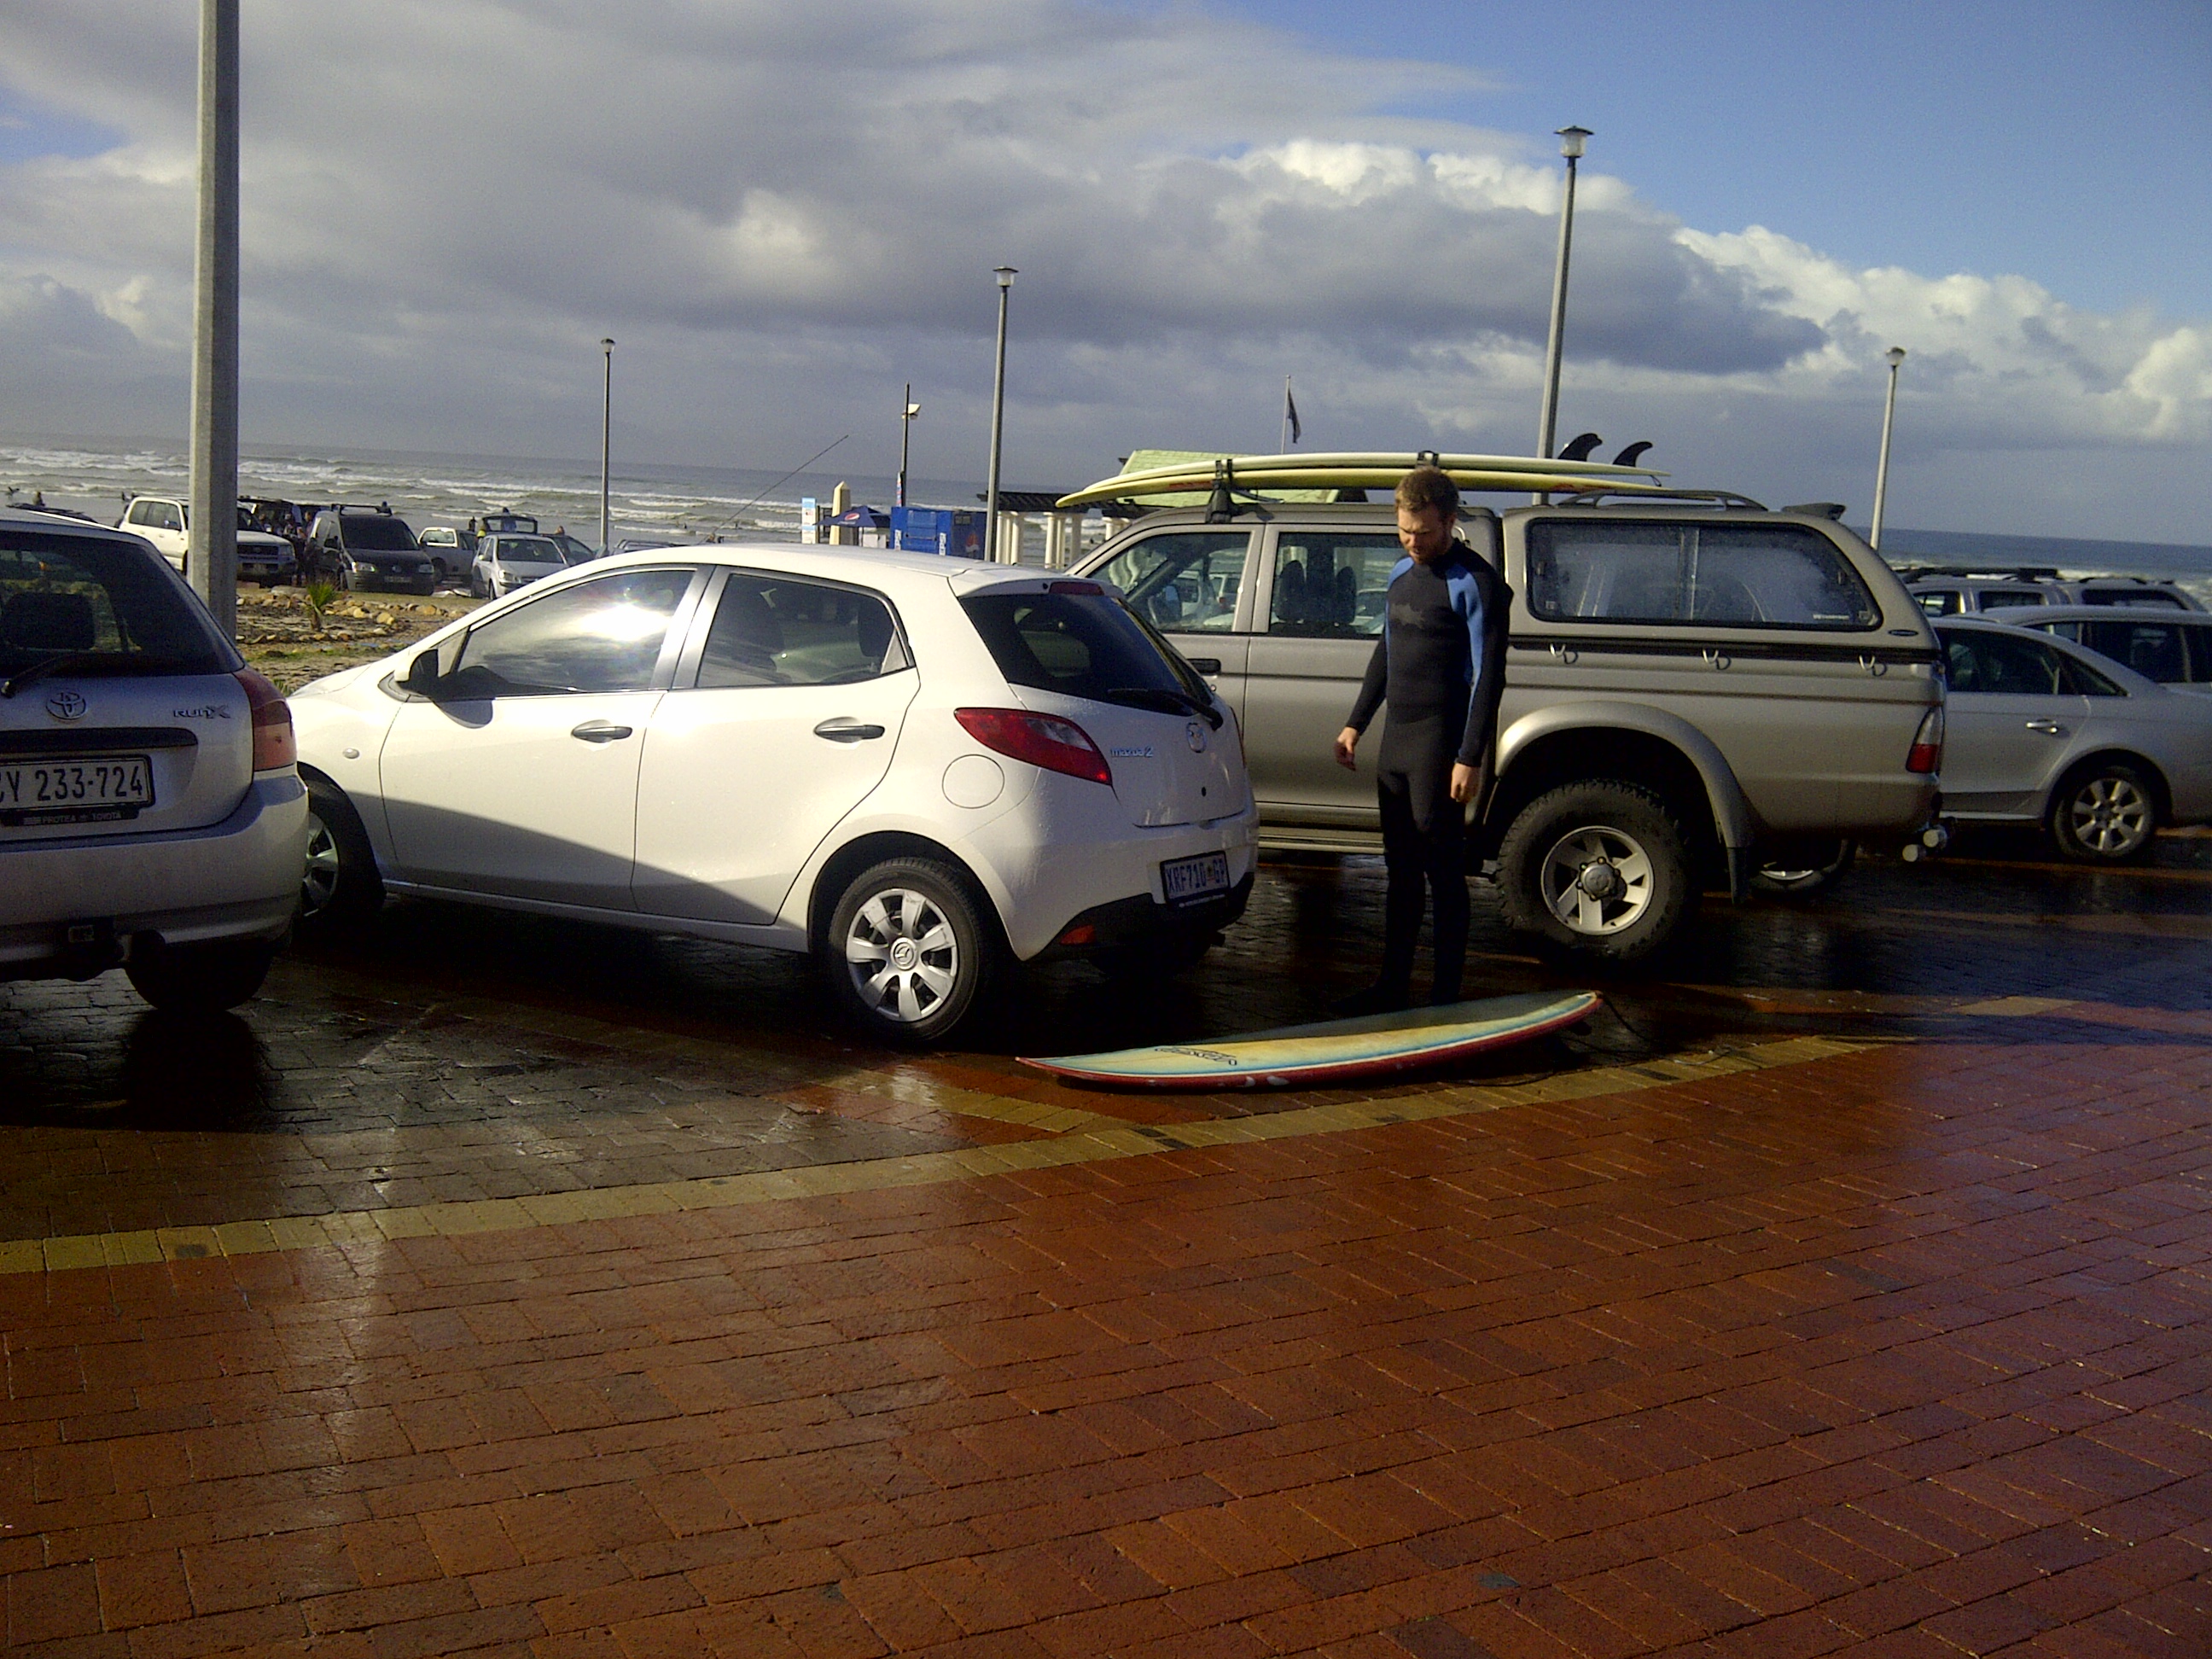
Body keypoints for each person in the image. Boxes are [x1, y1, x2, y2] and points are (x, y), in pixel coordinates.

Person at [1333, 467, 1512, 1011]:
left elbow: (1489, 676)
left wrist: (1469, 756)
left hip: (1441, 745)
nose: (1413, 543)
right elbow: (1386, 654)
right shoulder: (1397, 575)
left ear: (1450, 521)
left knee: (1443, 873)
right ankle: (1392, 985)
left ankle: (1444, 996)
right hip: (1397, 744)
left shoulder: (1475, 582)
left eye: (1425, 533)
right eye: (1405, 532)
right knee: (1400, 871)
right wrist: (1355, 722)